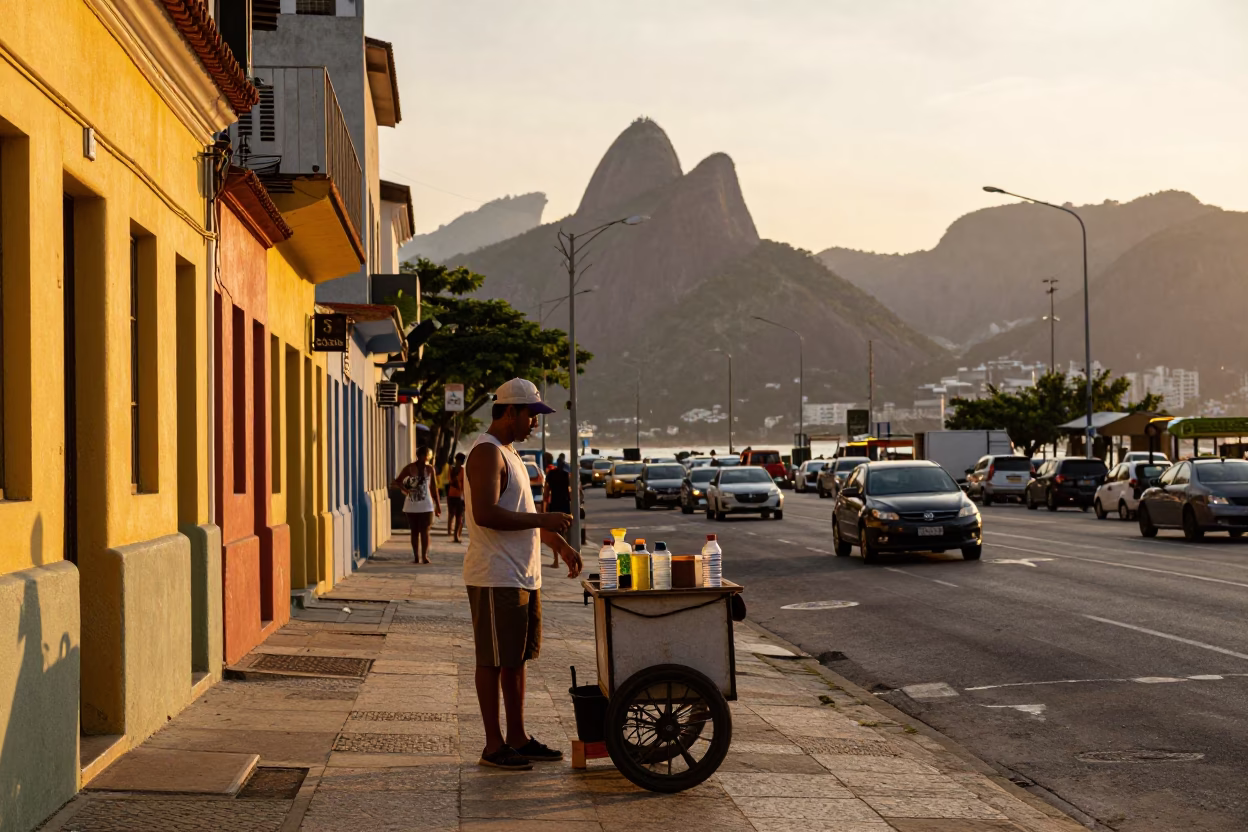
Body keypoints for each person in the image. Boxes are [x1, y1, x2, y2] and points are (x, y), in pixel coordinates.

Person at [464, 378, 582, 771]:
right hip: (495, 575)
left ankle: (517, 736)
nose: (535, 423)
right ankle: (493, 744)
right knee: (493, 659)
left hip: (523, 576)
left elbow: (519, 516)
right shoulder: (486, 453)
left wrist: (556, 543)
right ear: (510, 412)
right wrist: (543, 517)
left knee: (516, 660)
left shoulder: (511, 453)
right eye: (531, 414)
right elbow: (486, 513)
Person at [393, 447, 441, 563]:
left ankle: (424, 556)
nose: (424, 458)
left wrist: (437, 505)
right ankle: (416, 556)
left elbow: (434, 487)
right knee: (414, 530)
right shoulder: (409, 468)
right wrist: (407, 490)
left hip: (427, 504)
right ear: (419, 455)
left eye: (426, 456)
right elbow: (397, 481)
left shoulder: (430, 469)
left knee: (425, 530)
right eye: (423, 455)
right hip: (412, 504)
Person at [543, 456, 572, 567]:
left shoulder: (551, 474)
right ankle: (568, 557)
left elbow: (546, 490)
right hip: (565, 505)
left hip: (554, 504)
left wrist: (544, 504)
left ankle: (556, 561)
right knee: (565, 532)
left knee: (555, 532)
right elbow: (570, 491)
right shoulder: (566, 475)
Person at [446, 452, 467, 543]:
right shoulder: (451, 470)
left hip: (459, 496)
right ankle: (450, 531)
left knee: (459, 517)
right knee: (452, 514)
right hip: (452, 495)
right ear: (457, 460)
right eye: (460, 460)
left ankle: (456, 535)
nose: (461, 462)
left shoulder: (463, 471)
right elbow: (450, 481)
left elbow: (464, 484)